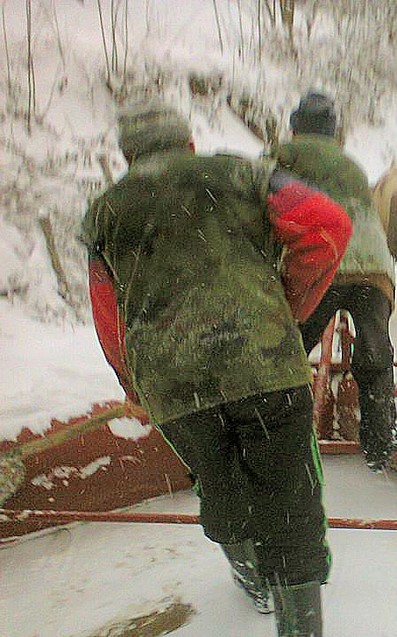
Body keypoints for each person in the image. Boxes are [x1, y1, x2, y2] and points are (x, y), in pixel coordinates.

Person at [81, 98, 352, 637]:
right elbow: (327, 225)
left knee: (221, 489)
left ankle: (252, 581)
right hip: (263, 364)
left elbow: (108, 313)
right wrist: (288, 302)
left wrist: (134, 382)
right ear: (188, 142)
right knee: (291, 504)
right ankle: (296, 622)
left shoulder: (104, 214)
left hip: (174, 384)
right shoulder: (243, 174)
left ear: (127, 156)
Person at [272, 92, 397, 472]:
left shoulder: (282, 158)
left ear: (295, 127)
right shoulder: (352, 166)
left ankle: (283, 436)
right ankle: (380, 438)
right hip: (373, 268)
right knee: (375, 352)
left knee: (292, 349)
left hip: (322, 262)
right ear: (333, 130)